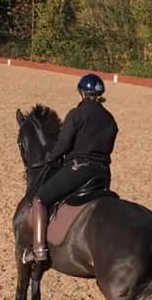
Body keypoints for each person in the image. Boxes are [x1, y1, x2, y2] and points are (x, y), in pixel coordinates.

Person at [29, 73, 119, 261]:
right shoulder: (110, 119)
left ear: (81, 93)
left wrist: (50, 157)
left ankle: (38, 250)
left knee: (39, 199)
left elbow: (63, 144)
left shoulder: (77, 114)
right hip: (103, 173)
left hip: (80, 169)